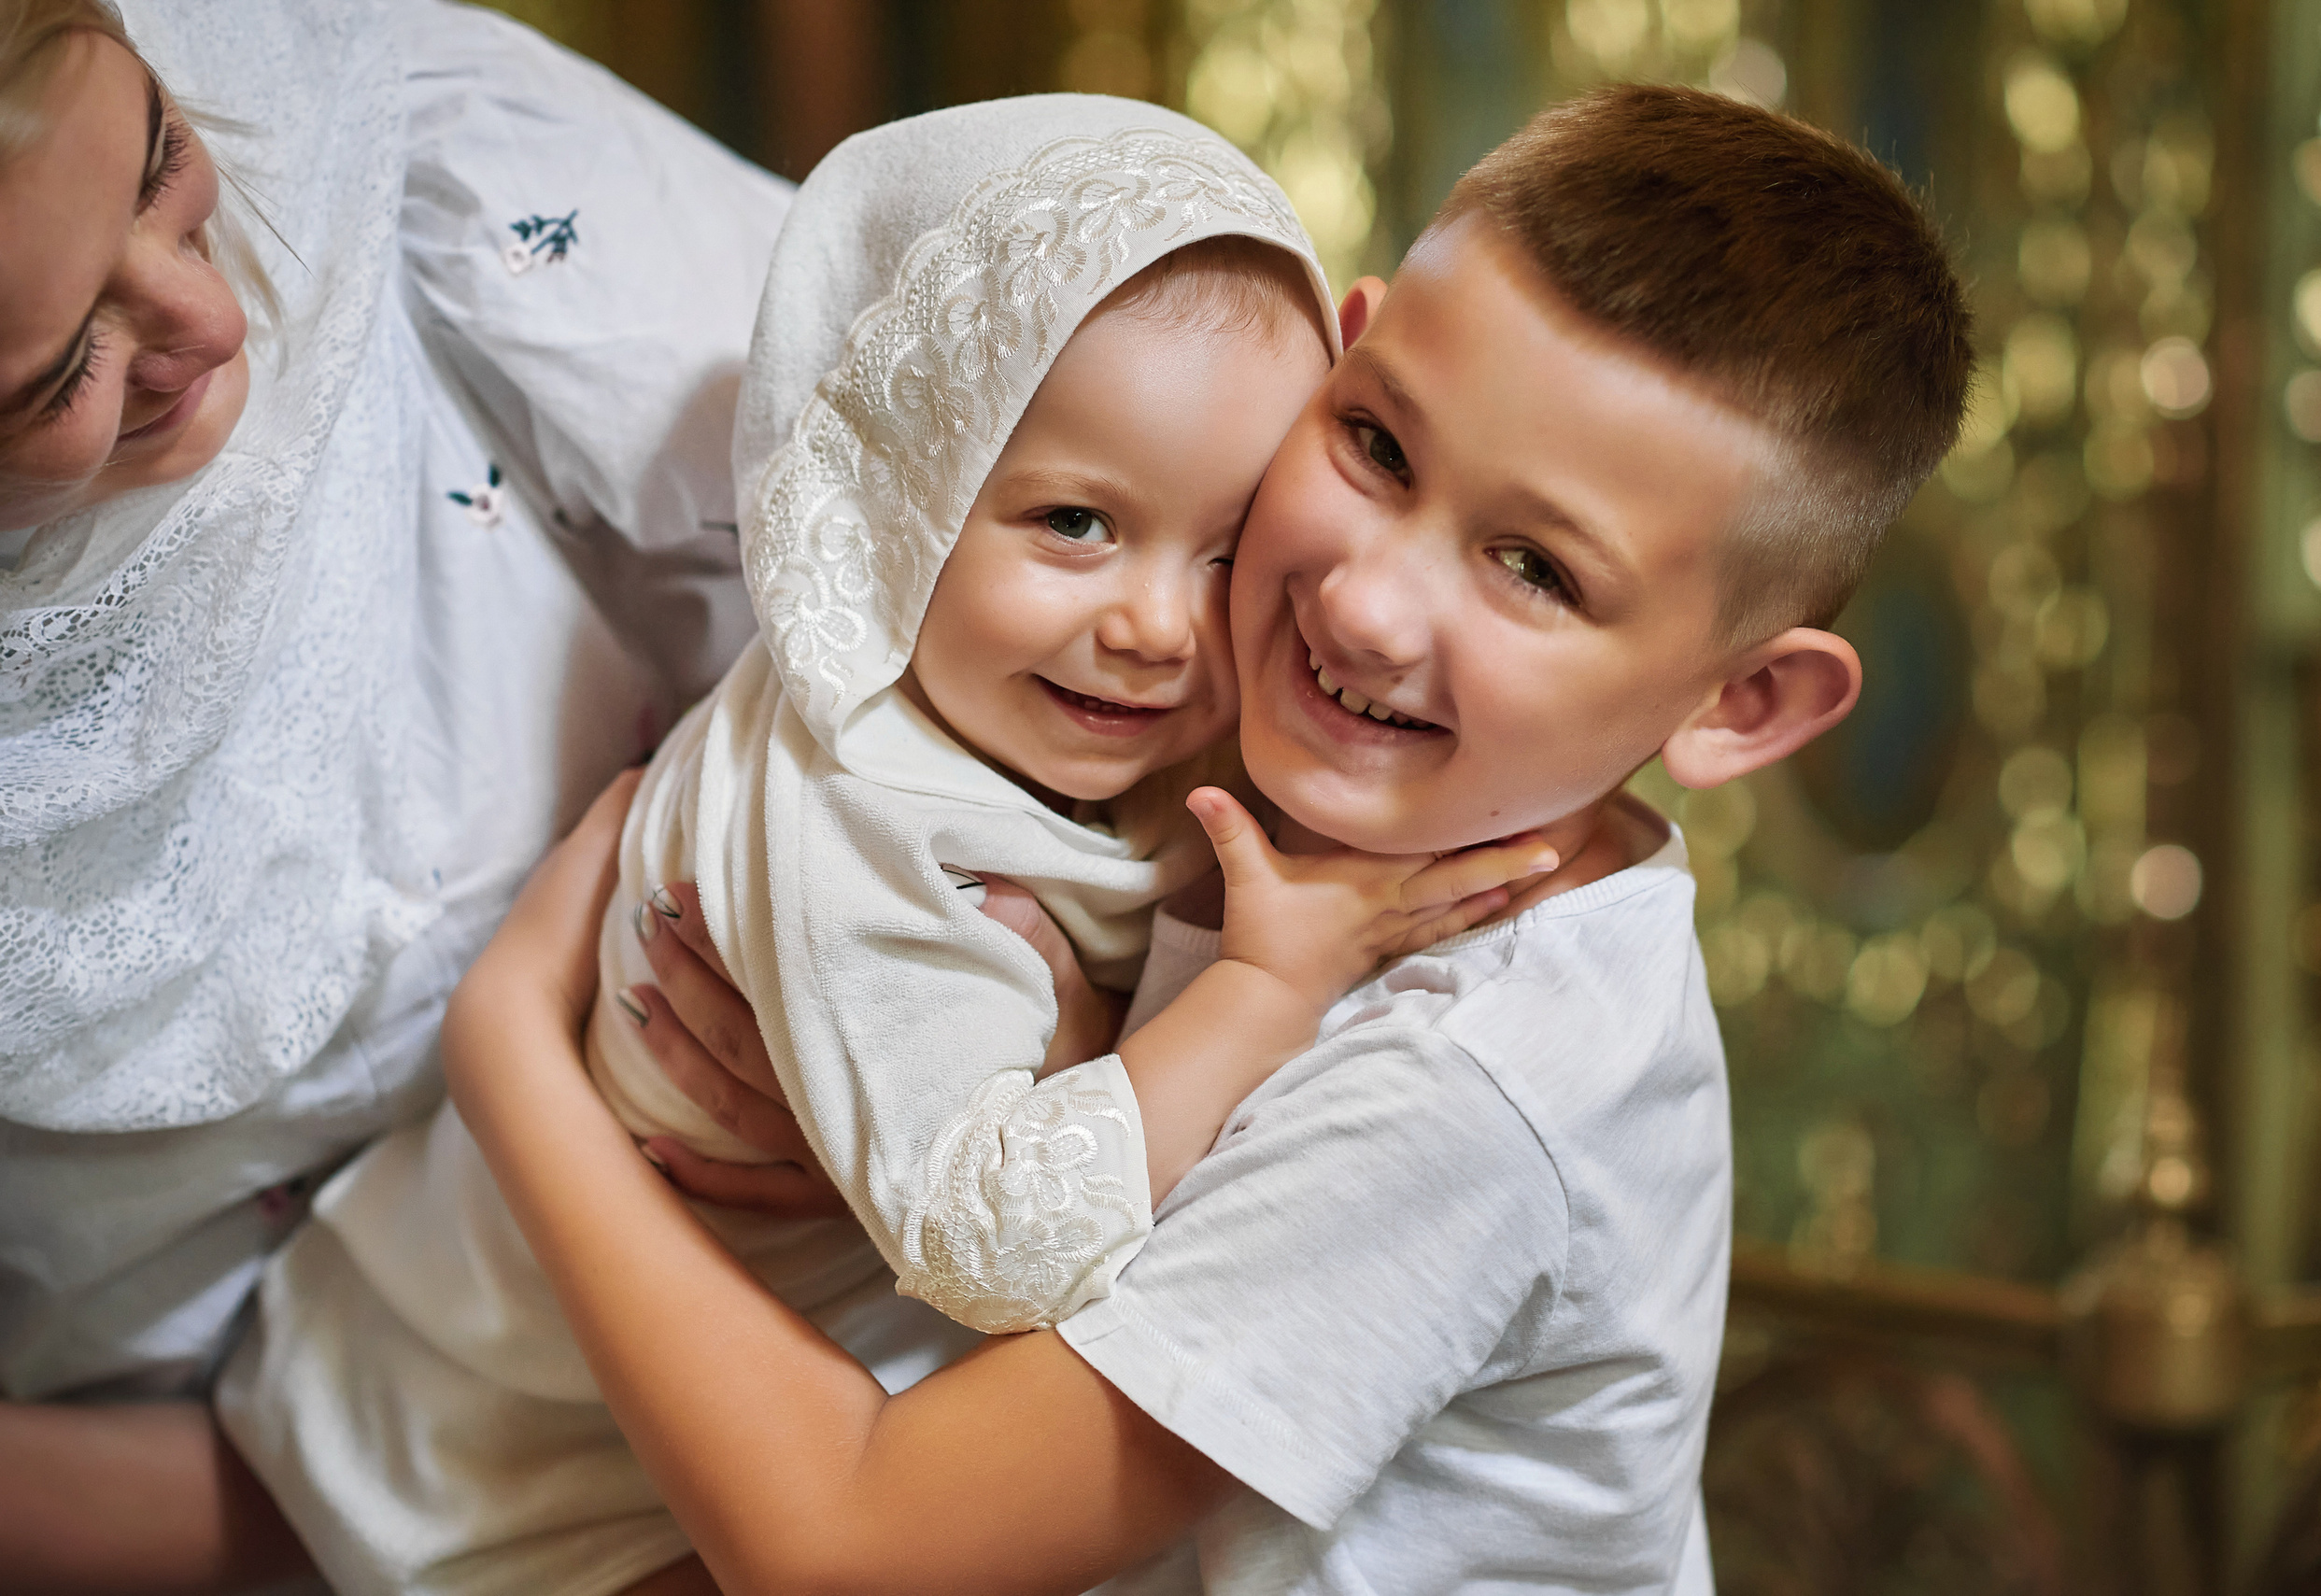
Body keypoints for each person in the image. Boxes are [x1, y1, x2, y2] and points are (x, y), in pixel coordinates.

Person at [435, 84, 1974, 1593]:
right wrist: (932, 1125)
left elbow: (848, 1548)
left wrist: (509, 1057)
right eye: (1377, 446)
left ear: (1743, 703)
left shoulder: (1465, 1090)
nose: (1363, 603)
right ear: (1338, 354)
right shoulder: (1275, 743)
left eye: (1535, 569)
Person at [192, 96, 1553, 1596]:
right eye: (1076, 523)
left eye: (1228, 548)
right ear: (900, 495)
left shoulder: (1061, 700)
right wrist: (1260, 996)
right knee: (262, 1515)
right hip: (546, 1401)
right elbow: (996, 1248)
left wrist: (1093, 1027)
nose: (1159, 626)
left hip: (699, 1344)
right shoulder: (860, 822)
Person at [0, 0, 791, 1578]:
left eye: (161, 161)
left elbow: (983, 535)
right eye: (61, 368)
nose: (211, 317)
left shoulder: (422, 151)